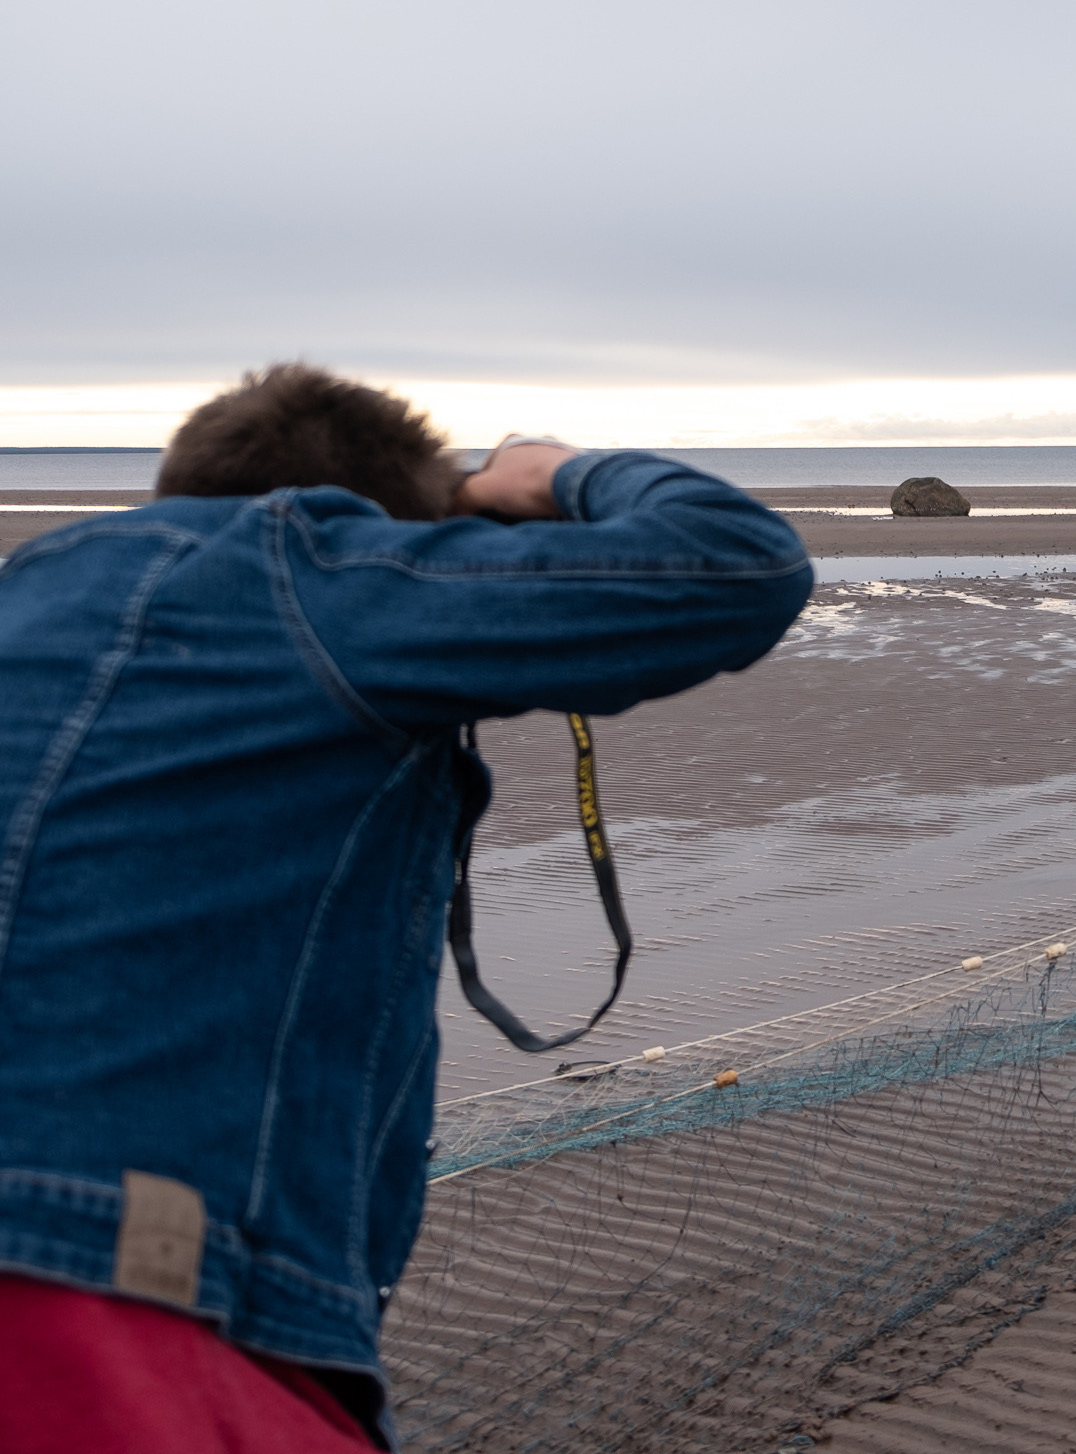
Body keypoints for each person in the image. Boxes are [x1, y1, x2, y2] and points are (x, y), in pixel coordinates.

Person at [0, 364, 812, 1450]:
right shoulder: (309, 569)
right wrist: (549, 473)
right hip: (105, 1291)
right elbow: (736, 563)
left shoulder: (32, 592)